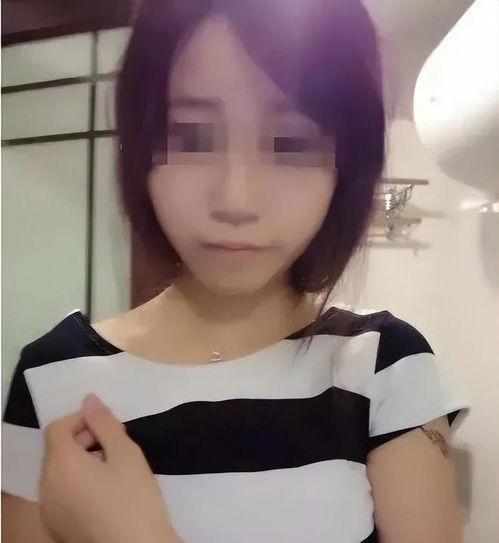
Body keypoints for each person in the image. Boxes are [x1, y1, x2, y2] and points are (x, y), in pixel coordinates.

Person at [1, 1, 469, 542]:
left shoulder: (385, 364)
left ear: (347, 166)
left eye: (291, 143)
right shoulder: (52, 376)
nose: (236, 200)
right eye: (192, 138)